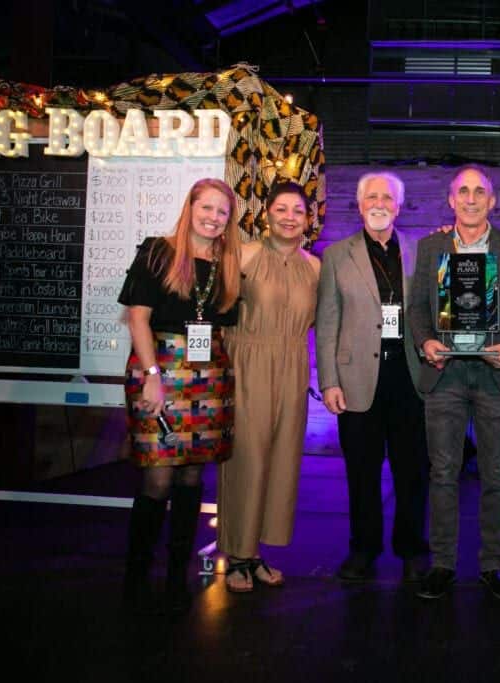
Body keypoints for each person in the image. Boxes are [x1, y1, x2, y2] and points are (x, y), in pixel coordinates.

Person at [407, 166, 500, 600]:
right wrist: (425, 340)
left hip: (496, 374)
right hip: (445, 374)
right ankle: (442, 564)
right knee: (443, 472)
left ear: (493, 202)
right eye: (463, 191)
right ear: (451, 199)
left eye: (480, 191)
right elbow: (418, 310)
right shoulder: (431, 247)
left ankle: (492, 565)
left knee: (497, 474)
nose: (472, 198)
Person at [118, 177, 241, 613]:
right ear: (191, 208)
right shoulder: (159, 250)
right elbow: (137, 319)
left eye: (222, 212)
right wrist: (152, 374)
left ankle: (175, 575)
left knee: (191, 477)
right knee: (158, 476)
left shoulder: (227, 264)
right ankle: (135, 577)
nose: (213, 217)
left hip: (208, 379)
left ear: (229, 221)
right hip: (160, 370)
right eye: (206, 208)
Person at [316, 171, 429, 583]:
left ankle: (412, 548)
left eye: (388, 197)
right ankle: (363, 549)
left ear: (398, 206)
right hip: (356, 379)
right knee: (361, 472)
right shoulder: (335, 256)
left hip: (411, 377)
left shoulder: (421, 251)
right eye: (371, 197)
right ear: (360, 204)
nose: (379, 203)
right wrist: (329, 380)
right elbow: (327, 322)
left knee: (413, 471)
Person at [216, 181, 320, 592]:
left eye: (298, 210)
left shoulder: (315, 267)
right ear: (266, 214)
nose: (290, 216)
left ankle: (257, 552)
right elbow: (215, 309)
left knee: (280, 461)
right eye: (281, 209)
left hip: (293, 363)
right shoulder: (243, 255)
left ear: (308, 218)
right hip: (248, 361)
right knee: (248, 456)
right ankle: (237, 556)